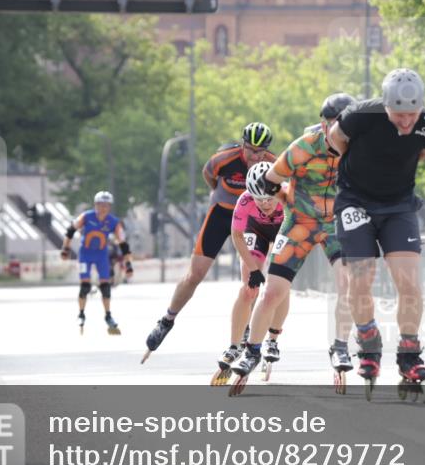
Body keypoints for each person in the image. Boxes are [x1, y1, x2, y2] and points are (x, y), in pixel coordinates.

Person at [326, 69, 425, 400]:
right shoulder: (361, 116)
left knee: (408, 282)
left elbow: (422, 151)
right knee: (360, 280)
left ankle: (409, 353)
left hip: (398, 206)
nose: (406, 122)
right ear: (386, 106)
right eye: (398, 115)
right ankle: (368, 338)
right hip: (355, 202)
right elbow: (336, 140)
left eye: (412, 114)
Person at [229, 94, 356, 393]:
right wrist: (289, 203)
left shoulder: (358, 149)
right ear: (326, 125)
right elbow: (271, 180)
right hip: (299, 224)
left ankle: (339, 346)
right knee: (272, 292)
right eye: (339, 129)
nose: (345, 137)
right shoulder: (304, 146)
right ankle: (252, 351)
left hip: (335, 223)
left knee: (348, 284)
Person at [142, 122, 276, 362]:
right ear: (242, 145)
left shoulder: (271, 165)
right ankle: (167, 320)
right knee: (195, 274)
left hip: (248, 220)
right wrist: (219, 194)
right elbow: (208, 175)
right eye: (250, 150)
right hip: (221, 214)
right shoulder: (224, 159)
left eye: (260, 151)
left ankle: (245, 327)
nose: (255, 156)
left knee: (250, 278)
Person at [212, 161, 288, 385]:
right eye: (259, 198)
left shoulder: (288, 197)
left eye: (269, 198)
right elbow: (237, 237)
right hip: (256, 230)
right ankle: (234, 346)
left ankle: (272, 339)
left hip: (284, 229)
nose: (265, 203)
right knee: (248, 290)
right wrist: (254, 270)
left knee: (281, 283)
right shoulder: (244, 201)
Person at [60, 190, 133, 335]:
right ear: (95, 205)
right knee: (85, 286)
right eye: (100, 205)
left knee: (105, 286)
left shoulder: (113, 222)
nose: (103, 208)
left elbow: (123, 244)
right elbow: (70, 230)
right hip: (85, 254)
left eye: (106, 205)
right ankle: (81, 313)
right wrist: (65, 248)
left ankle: (108, 316)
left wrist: (129, 265)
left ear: (109, 207)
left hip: (101, 255)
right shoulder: (86, 216)